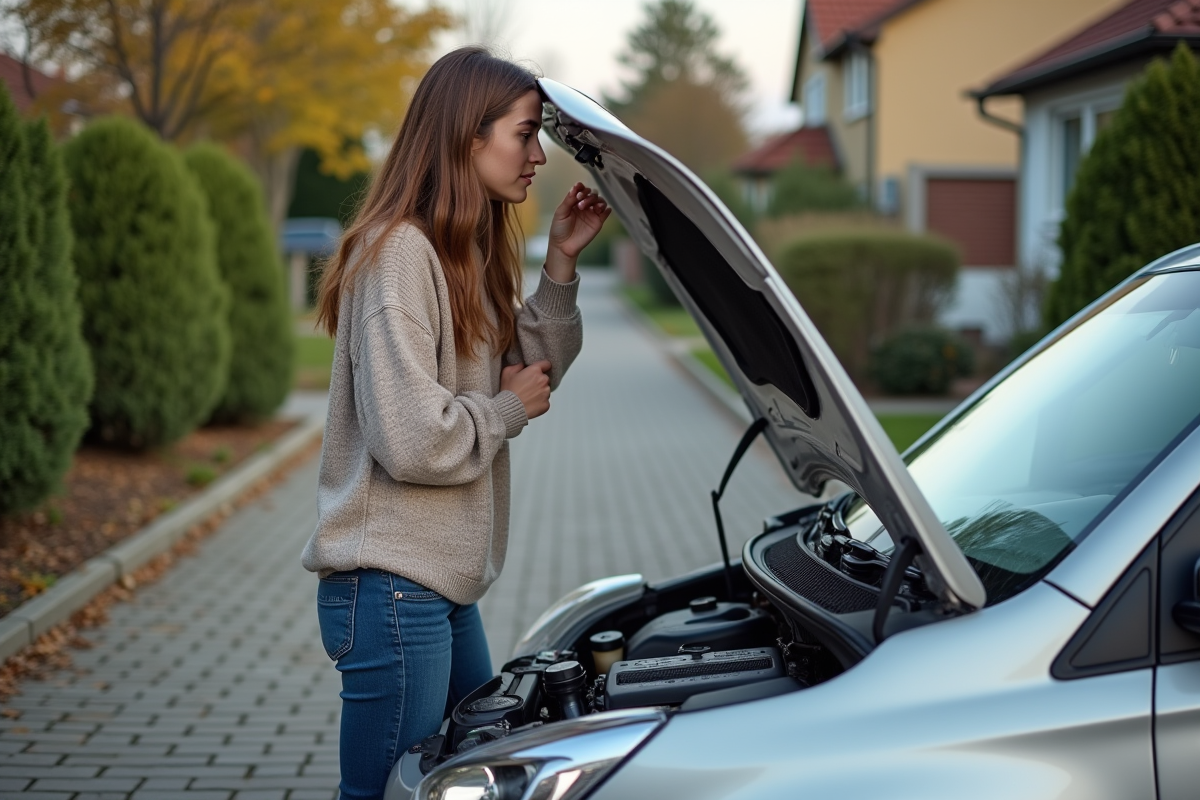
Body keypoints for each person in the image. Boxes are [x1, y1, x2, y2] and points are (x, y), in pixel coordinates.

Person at [300, 47, 611, 799]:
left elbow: (531, 372)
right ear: (467, 135)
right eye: (525, 133)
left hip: (437, 587)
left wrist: (561, 264)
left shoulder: (459, 248)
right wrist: (503, 411)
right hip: (392, 588)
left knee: (479, 765)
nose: (538, 155)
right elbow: (412, 438)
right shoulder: (398, 254)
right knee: (387, 793)